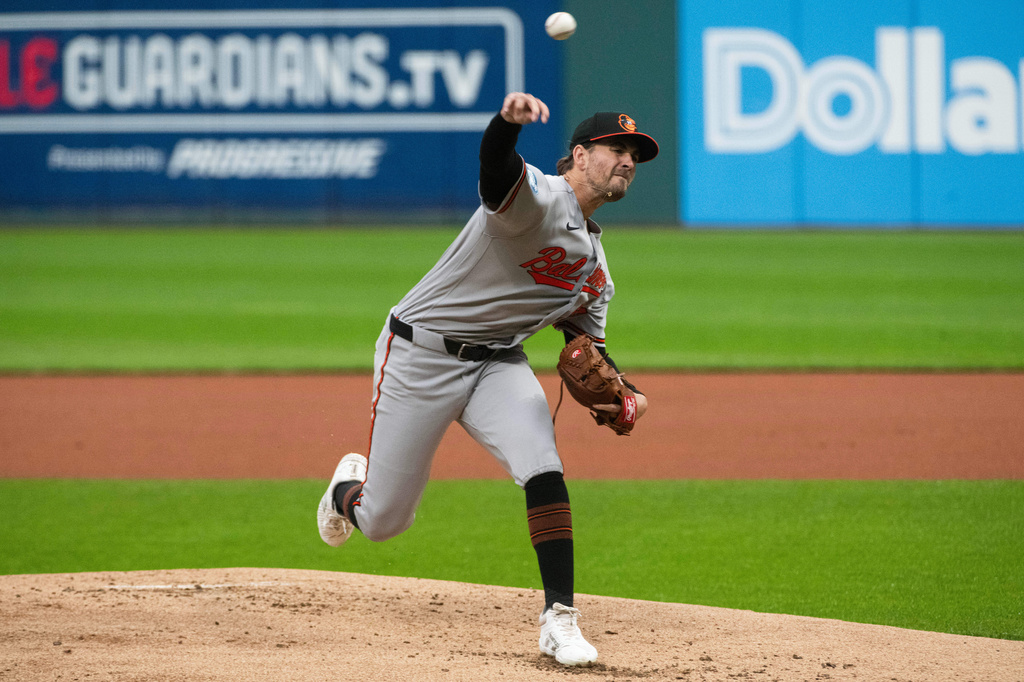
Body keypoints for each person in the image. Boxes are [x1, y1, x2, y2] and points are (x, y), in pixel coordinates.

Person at [317, 92, 657, 667]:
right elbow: (495, 169)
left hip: (497, 364)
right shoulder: (537, 200)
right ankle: (345, 491)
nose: (627, 159)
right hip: (419, 355)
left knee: (543, 466)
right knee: (383, 520)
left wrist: (628, 394)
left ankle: (560, 620)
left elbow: (589, 348)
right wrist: (506, 124)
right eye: (615, 148)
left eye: (634, 154)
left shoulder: (594, 268)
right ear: (578, 155)